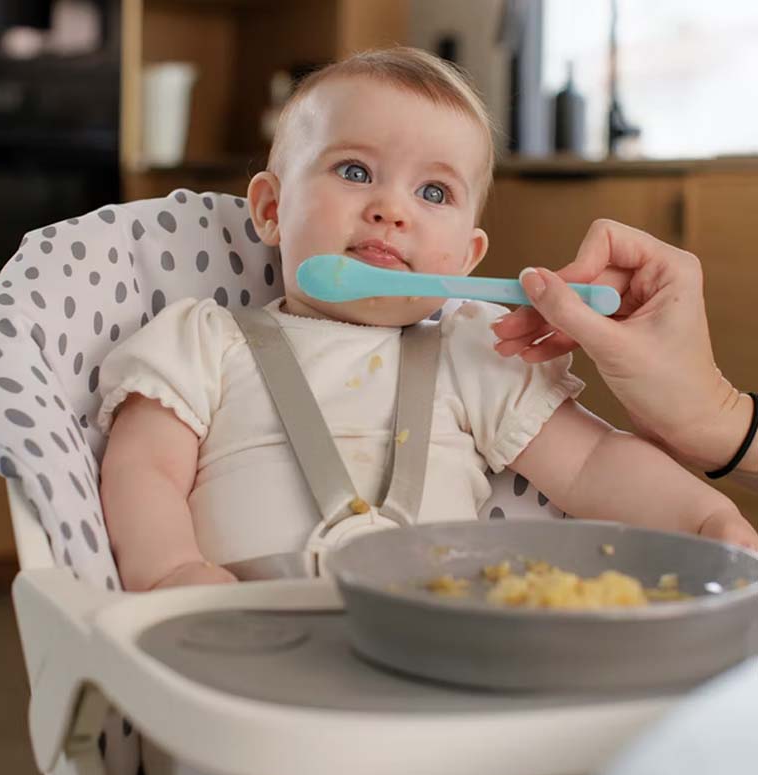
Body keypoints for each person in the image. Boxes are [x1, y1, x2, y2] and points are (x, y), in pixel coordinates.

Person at [97, 47, 758, 596]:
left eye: (433, 192)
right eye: (354, 170)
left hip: (439, 644)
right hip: (250, 634)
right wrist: (171, 573)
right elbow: (144, 469)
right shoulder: (204, 339)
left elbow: (591, 463)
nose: (392, 208)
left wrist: (706, 518)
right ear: (271, 210)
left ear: (467, 257)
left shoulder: (472, 348)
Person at [492, 219, 758, 487]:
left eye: (446, 195)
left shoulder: (482, 353)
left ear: (473, 250)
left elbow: (587, 461)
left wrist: (708, 511)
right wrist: (718, 416)